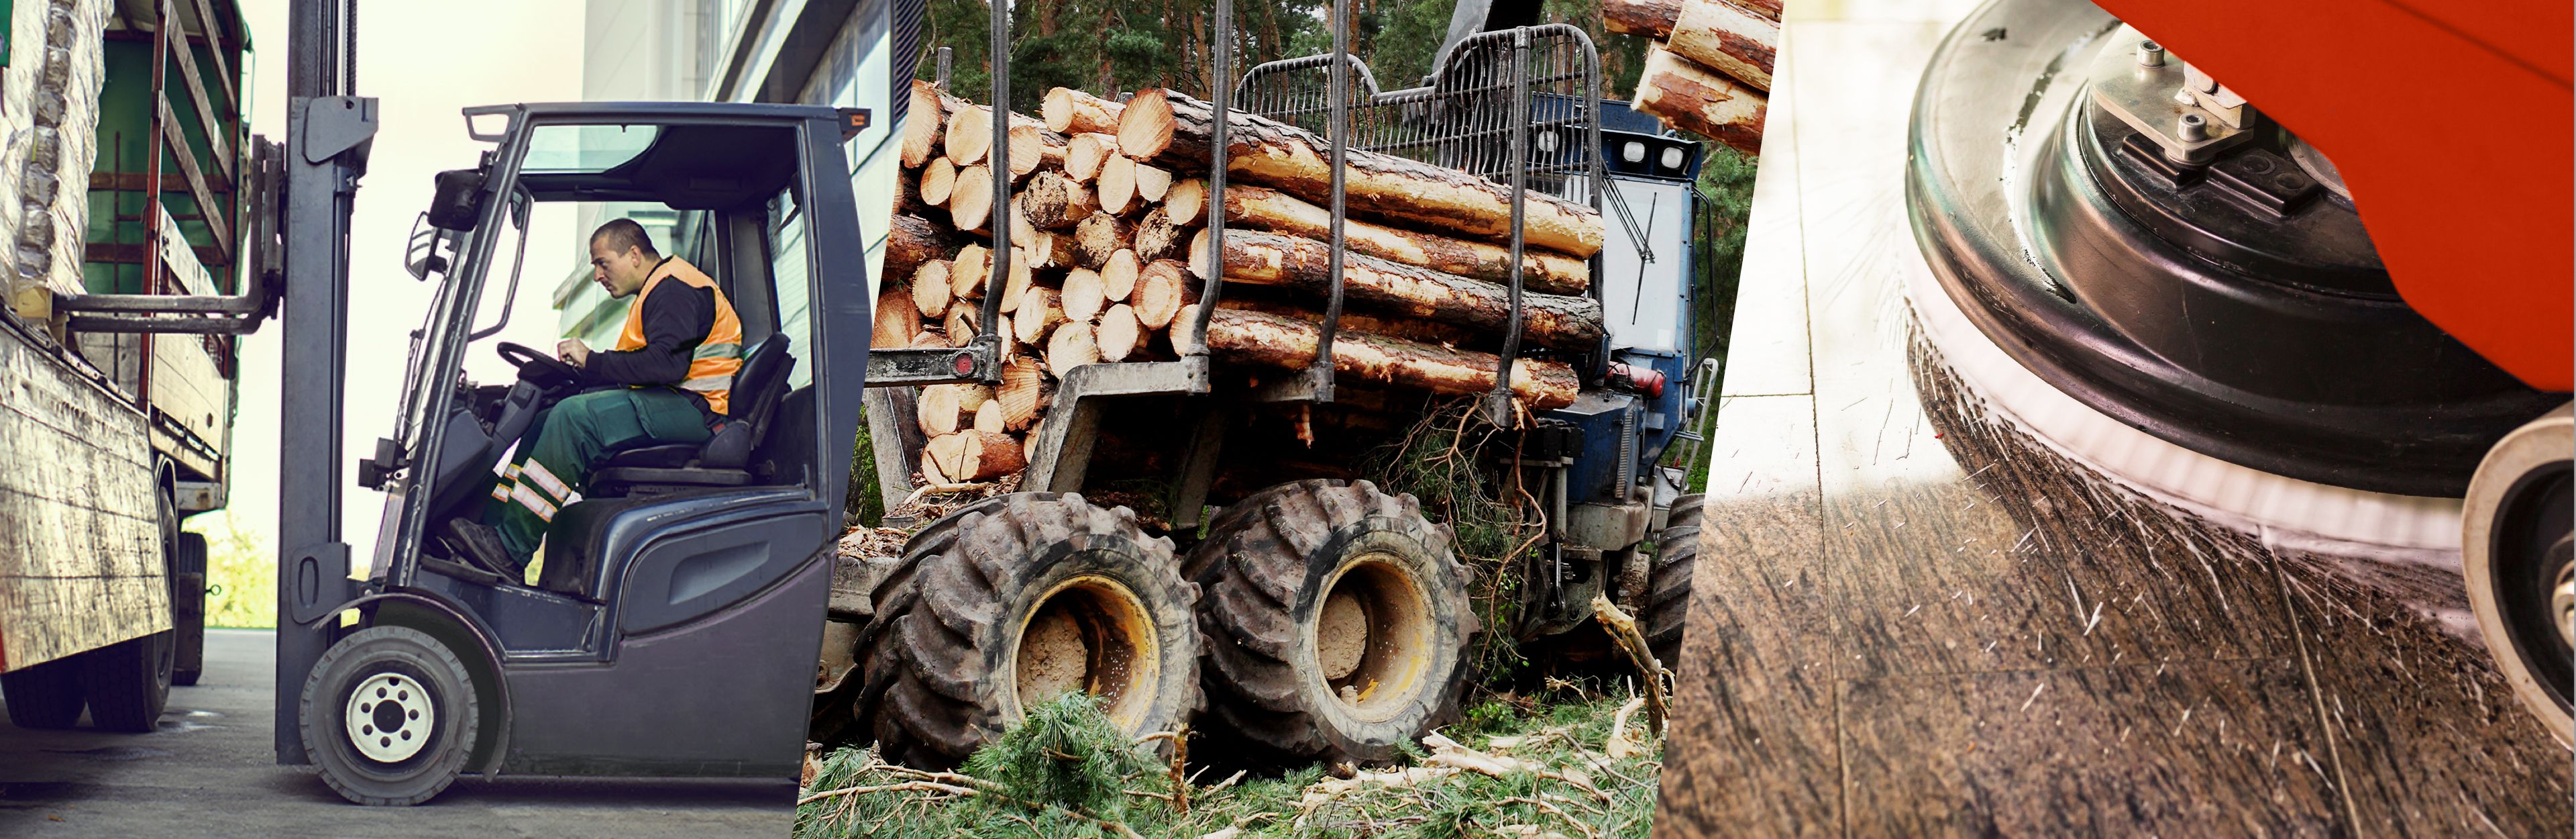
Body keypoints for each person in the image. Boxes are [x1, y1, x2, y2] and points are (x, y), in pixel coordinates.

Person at [444, 218, 744, 575]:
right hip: (670, 401)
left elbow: (666, 366)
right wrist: (586, 374)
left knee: (573, 418)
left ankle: (511, 549)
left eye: (604, 263)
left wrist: (592, 360)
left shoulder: (674, 288)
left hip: (695, 410)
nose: (598, 276)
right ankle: (492, 531)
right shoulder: (658, 290)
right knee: (544, 420)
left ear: (634, 254)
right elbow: (645, 366)